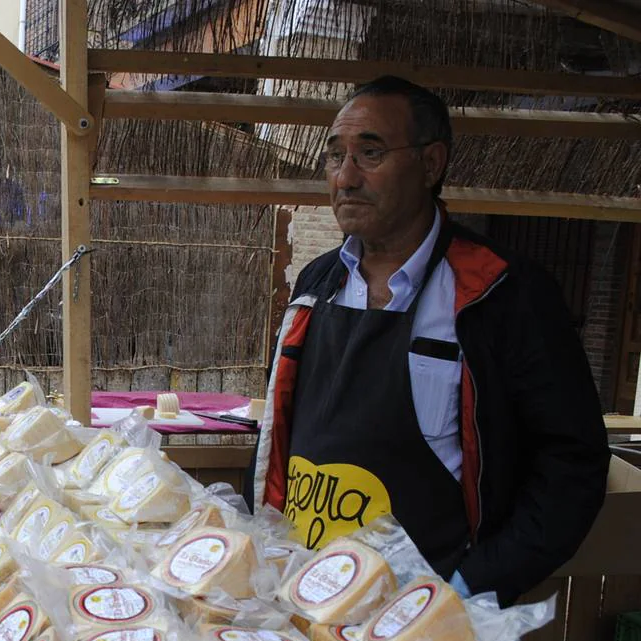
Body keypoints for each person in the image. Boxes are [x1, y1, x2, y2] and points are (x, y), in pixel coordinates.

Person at [254, 76, 609, 606]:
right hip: (305, 590)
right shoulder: (315, 284)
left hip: (428, 610)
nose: (345, 177)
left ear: (431, 162)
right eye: (334, 156)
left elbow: (572, 461)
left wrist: (472, 585)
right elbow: (281, 430)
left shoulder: (501, 293)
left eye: (370, 152)